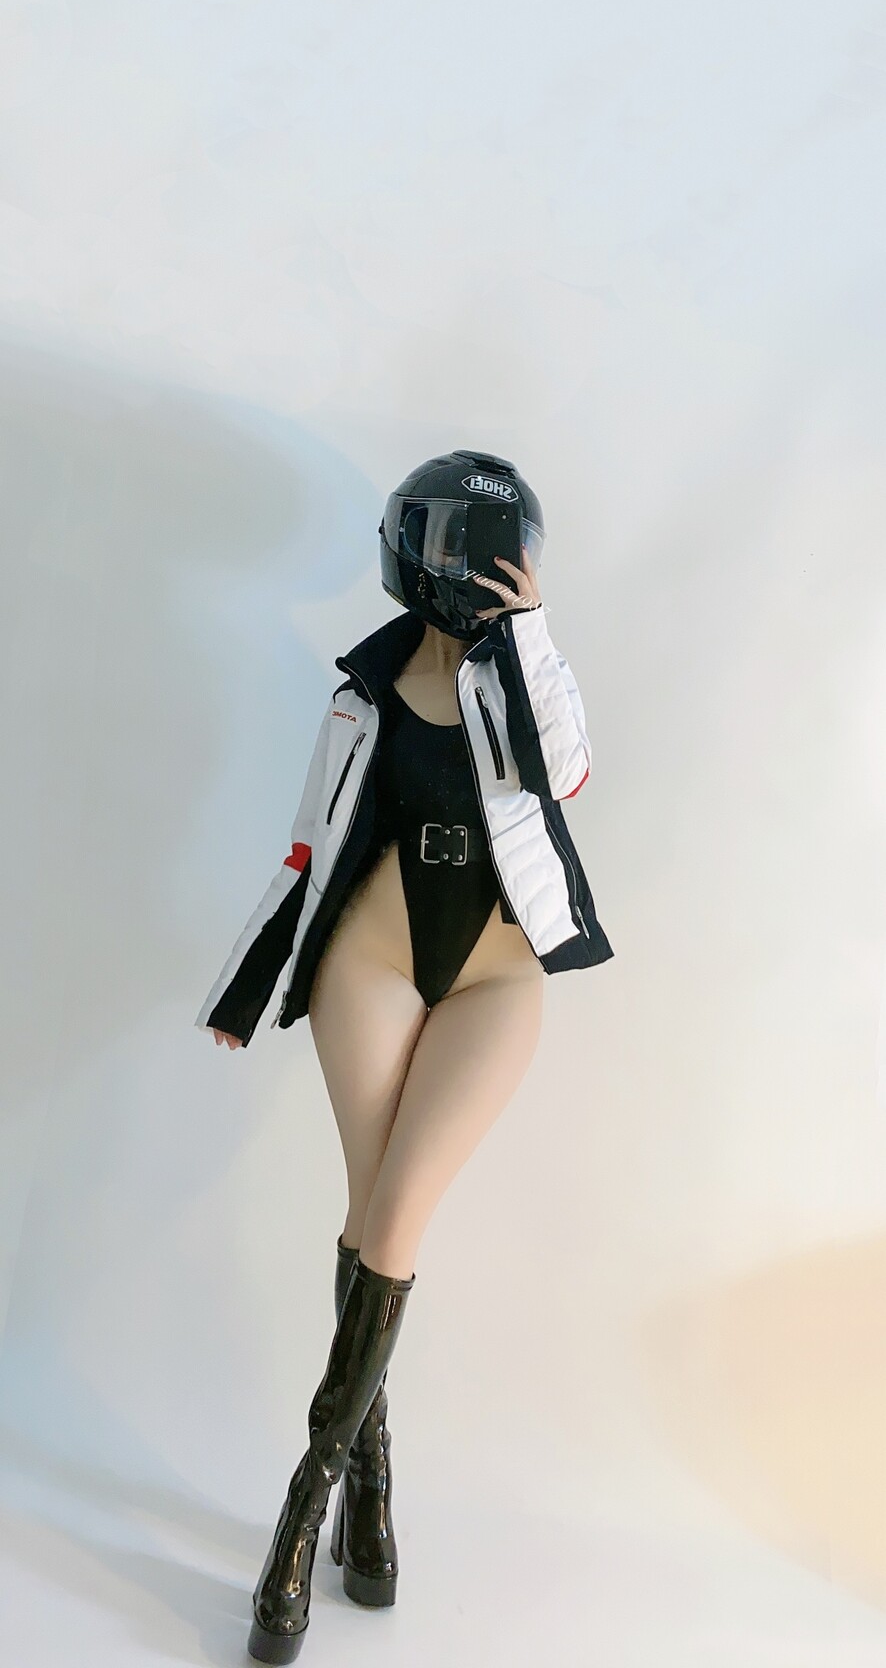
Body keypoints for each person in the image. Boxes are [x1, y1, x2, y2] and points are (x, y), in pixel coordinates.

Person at [194, 449, 614, 1663]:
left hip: (495, 977)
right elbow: (309, 851)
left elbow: (563, 773)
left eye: (508, 555)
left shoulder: (525, 679)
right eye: (469, 553)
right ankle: (368, 1501)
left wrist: (527, 636)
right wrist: (249, 986)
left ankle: (309, 1500)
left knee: (394, 1214)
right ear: (418, 554)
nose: (490, 573)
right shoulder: (360, 696)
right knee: (376, 1211)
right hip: (366, 968)